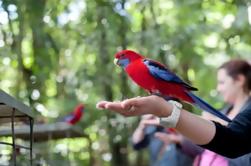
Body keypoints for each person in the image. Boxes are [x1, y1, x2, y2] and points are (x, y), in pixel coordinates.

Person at [96, 59, 251, 158]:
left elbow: (233, 145)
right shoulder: (227, 111)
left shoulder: (145, 64)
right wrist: (162, 109)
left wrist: (162, 108)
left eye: (222, 82)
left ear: (240, 80)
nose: (218, 88)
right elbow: (231, 141)